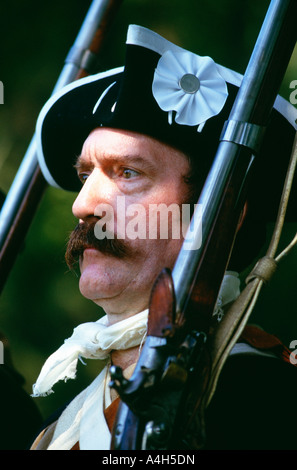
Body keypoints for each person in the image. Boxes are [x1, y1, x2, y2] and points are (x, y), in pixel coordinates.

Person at [30, 25, 297, 450]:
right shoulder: (67, 421)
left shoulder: (263, 400)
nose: (83, 204)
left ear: (220, 218)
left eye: (128, 173)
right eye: (85, 175)